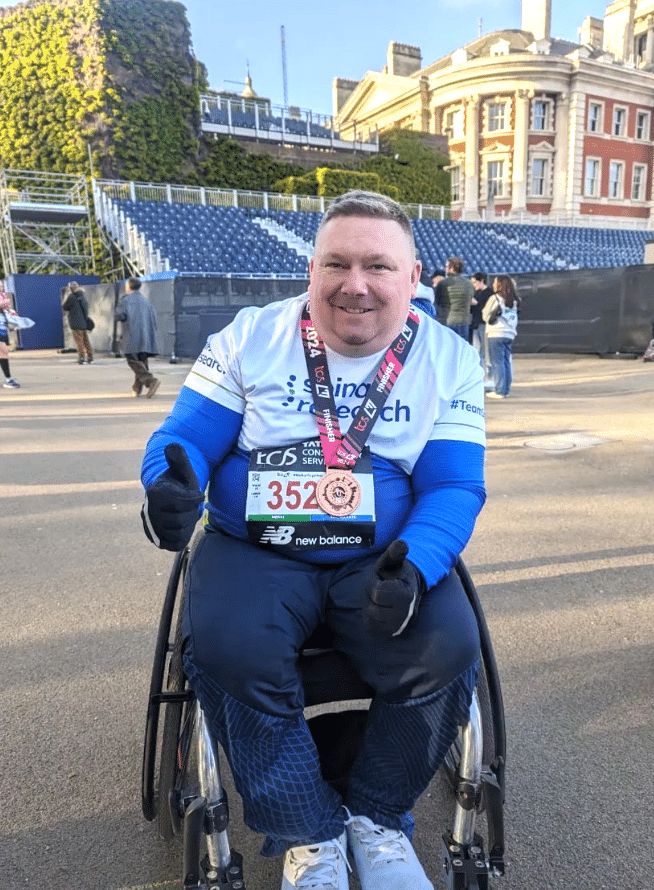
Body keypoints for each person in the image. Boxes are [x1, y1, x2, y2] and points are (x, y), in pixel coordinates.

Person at [140, 191, 486, 890]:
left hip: (378, 557)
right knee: (229, 647)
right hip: (254, 550)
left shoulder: (449, 360)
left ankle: (377, 817)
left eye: (377, 266)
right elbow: (182, 441)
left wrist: (416, 565)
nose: (354, 284)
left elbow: (453, 486)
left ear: (412, 279)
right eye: (337, 263)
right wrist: (167, 490)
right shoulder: (249, 336)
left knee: (449, 645)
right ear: (311, 270)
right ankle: (306, 831)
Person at [114, 277, 160, 397]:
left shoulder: (125, 300)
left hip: (131, 334)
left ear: (128, 287)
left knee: (132, 359)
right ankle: (137, 388)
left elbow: (119, 315)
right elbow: (154, 319)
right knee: (142, 360)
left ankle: (150, 381)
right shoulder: (146, 301)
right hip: (146, 335)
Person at [482, 274, 519, 399]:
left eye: (495, 283)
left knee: (497, 362)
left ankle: (499, 390)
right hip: (510, 333)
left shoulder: (495, 298)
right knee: (506, 361)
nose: (493, 285)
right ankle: (505, 388)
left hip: (496, 333)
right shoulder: (514, 300)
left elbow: (485, 315)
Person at [435, 257, 474, 341]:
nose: (445, 269)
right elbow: (470, 300)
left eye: (446, 266)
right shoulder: (469, 283)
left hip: (448, 321)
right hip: (464, 322)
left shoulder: (443, 283)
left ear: (451, 267)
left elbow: (437, 302)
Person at [62, 282, 94, 364]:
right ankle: (90, 356)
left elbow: (65, 306)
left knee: (79, 342)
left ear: (71, 288)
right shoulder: (82, 296)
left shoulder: (72, 297)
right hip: (83, 323)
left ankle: (82, 357)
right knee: (86, 341)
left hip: (75, 323)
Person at [470, 272, 494, 380]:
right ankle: (481, 373)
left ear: (481, 281)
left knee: (484, 350)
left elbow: (487, 309)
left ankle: (488, 374)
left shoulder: (489, 293)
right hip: (475, 323)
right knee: (478, 350)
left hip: (483, 324)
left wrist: (476, 303)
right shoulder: (475, 292)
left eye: (475, 282)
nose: (474, 285)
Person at [0, 291, 20, 388]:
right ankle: (9, 379)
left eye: (2, 286)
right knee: (3, 351)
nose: (1, 288)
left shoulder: (3, 297)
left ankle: (9, 378)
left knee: (3, 352)